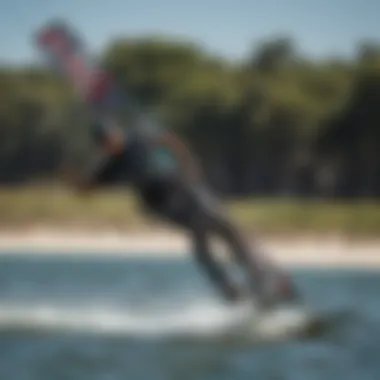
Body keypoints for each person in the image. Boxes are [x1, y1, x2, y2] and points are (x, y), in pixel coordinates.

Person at [61, 114, 300, 308]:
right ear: (102, 147)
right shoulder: (111, 166)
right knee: (207, 233)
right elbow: (86, 189)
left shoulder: (139, 139)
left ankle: (260, 277)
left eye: (110, 138)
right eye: (104, 144)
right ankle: (234, 290)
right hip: (164, 207)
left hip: (184, 189)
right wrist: (71, 180)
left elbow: (168, 139)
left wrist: (188, 162)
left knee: (224, 228)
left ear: (117, 133)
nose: (110, 145)